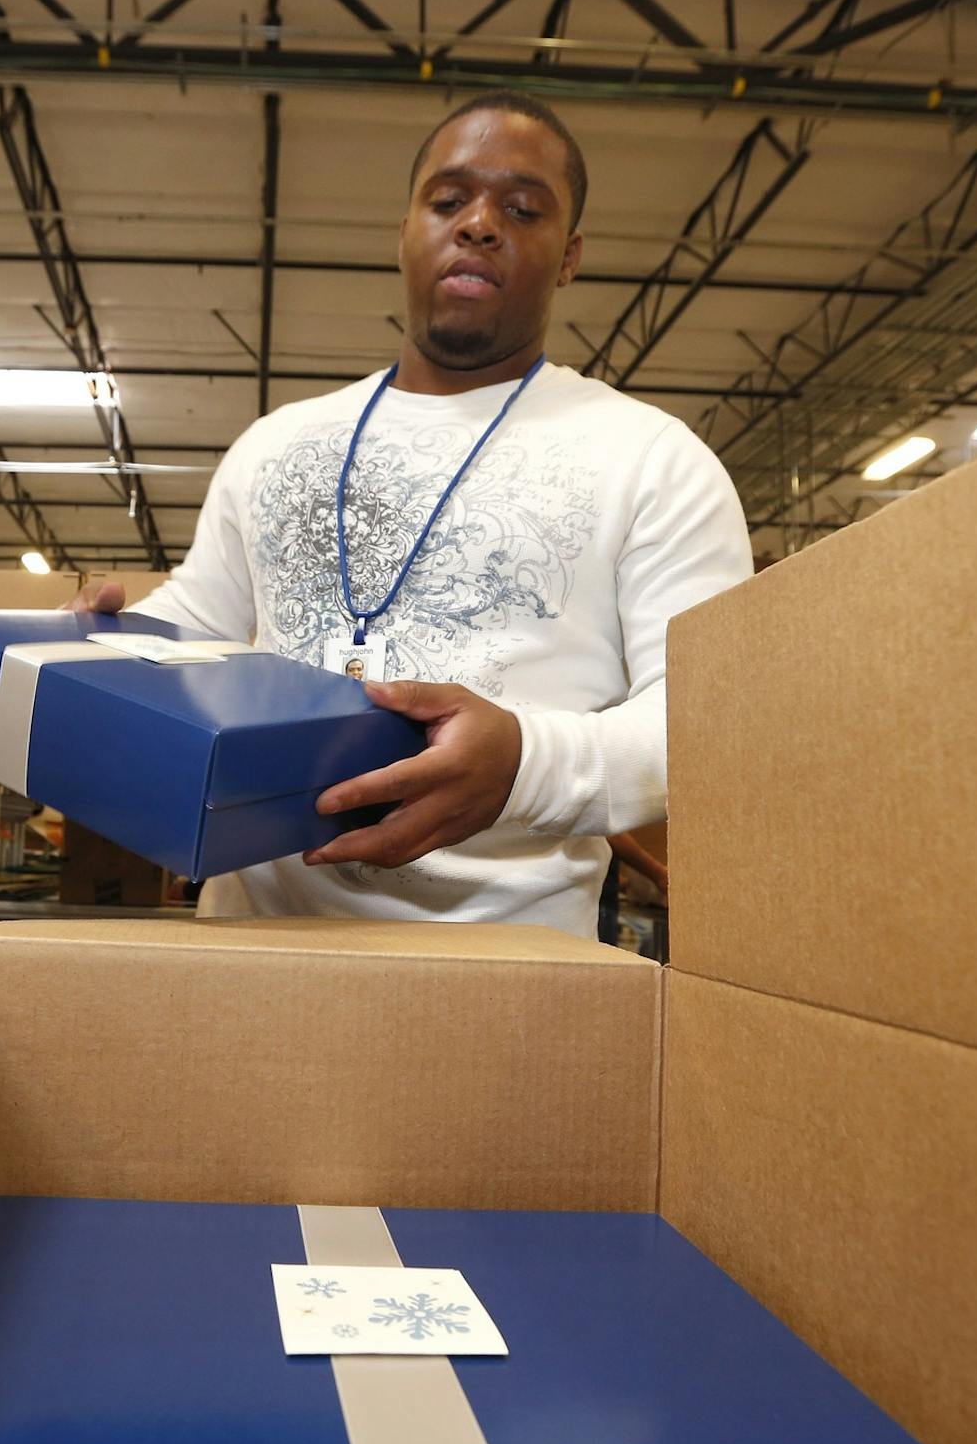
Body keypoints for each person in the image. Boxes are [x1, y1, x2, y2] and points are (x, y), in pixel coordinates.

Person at [74, 91, 752, 938]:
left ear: (570, 256)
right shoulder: (276, 444)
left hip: (508, 970)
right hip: (251, 947)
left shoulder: (655, 460)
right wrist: (106, 643)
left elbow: (706, 724)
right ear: (405, 230)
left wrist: (524, 766)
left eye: (522, 208)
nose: (478, 224)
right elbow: (202, 625)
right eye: (448, 200)